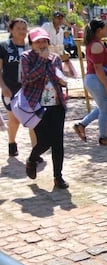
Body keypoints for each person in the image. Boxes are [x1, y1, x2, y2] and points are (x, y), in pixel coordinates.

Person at [20, 28, 69, 189]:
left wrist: (62, 80)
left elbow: (58, 75)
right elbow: (27, 79)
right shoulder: (26, 58)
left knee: (58, 142)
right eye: (38, 42)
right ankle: (32, 159)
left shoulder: (54, 58)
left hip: (56, 104)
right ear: (31, 43)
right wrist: (41, 60)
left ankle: (58, 176)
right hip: (36, 105)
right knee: (45, 141)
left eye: (44, 41)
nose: (42, 45)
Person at [73, 18, 107, 145]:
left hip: (95, 79)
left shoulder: (94, 44)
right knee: (104, 110)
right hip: (97, 79)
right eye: (106, 28)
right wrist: (106, 84)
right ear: (99, 30)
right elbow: (98, 67)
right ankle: (103, 137)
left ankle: (82, 124)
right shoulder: (96, 45)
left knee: (102, 107)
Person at [0, 18, 38, 158]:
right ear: (11, 30)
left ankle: (35, 151)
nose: (22, 31)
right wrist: (3, 87)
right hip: (10, 89)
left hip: (30, 90)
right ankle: (12, 143)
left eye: (24, 28)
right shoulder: (4, 46)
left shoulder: (31, 47)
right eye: (18, 28)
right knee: (14, 120)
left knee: (33, 119)